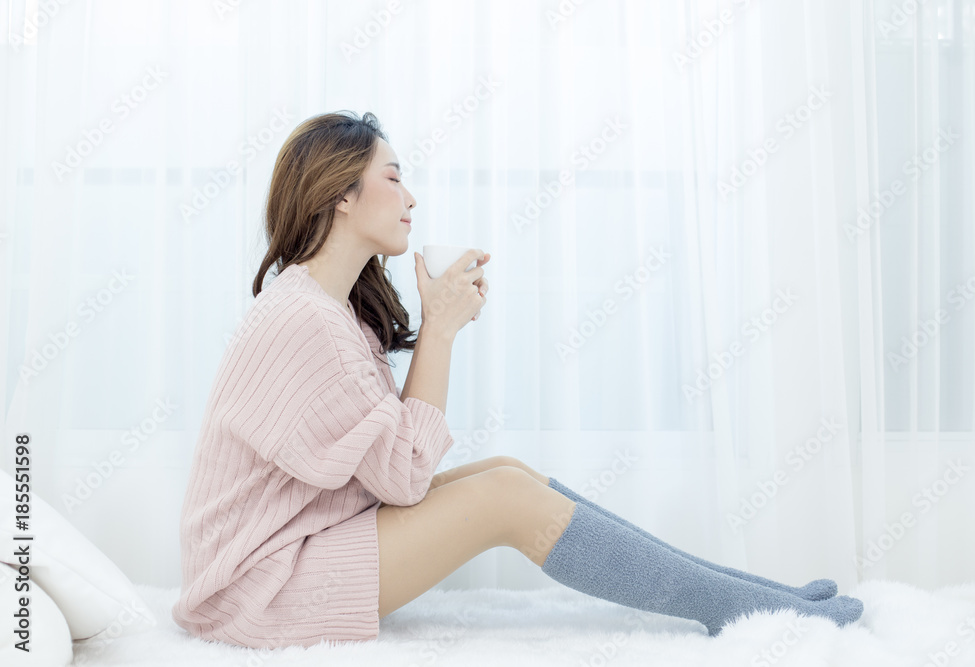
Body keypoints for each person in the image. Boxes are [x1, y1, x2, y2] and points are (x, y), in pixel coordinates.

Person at [172, 110, 864, 648]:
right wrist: (440, 328)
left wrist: (439, 323)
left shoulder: (327, 311)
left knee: (506, 472)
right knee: (503, 495)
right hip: (255, 590)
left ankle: (751, 595)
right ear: (340, 195)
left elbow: (384, 467)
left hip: (290, 555)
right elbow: (405, 476)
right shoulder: (305, 320)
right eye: (393, 177)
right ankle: (739, 605)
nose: (411, 196)